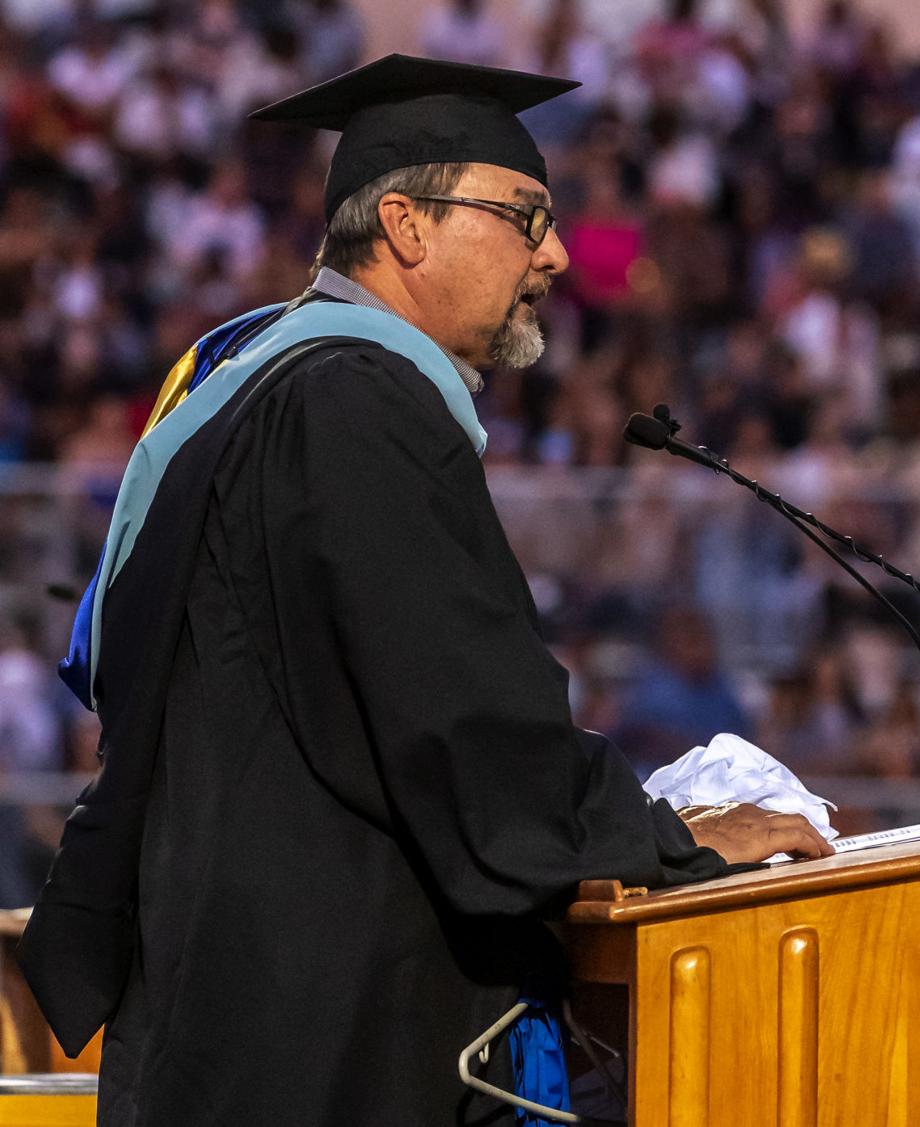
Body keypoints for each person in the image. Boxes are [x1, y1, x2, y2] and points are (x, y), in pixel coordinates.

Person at [18, 55, 832, 1127]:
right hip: (327, 1041)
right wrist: (672, 834)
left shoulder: (249, 383)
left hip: (233, 1018)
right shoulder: (356, 401)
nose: (555, 252)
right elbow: (465, 727)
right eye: (525, 215)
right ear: (405, 224)